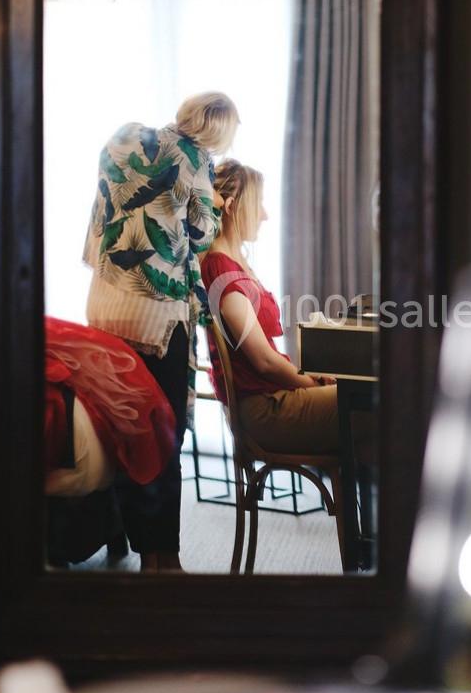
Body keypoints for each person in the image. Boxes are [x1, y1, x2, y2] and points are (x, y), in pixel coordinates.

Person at [82, 91, 238, 572]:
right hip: (155, 314)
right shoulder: (197, 159)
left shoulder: (124, 137)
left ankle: (116, 535)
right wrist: (213, 203)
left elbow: (105, 211)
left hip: (105, 303)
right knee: (159, 432)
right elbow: (197, 234)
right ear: (217, 130)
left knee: (116, 425)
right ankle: (160, 557)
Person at [199, 159, 338, 453]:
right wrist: (312, 386)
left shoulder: (236, 264)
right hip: (264, 410)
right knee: (373, 405)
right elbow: (263, 360)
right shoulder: (222, 271)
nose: (265, 214)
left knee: (371, 408)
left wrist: (309, 378)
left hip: (272, 397)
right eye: (258, 203)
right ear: (231, 205)